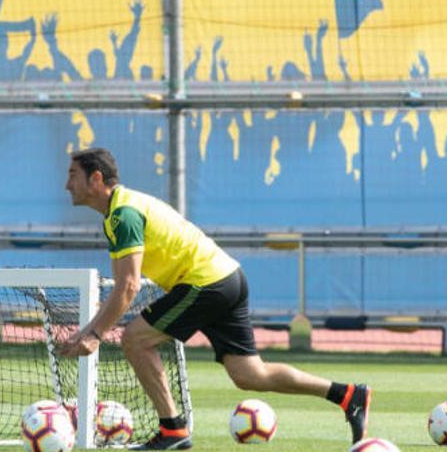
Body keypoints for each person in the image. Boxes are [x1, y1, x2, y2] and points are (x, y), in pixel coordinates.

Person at [59, 147, 370, 450]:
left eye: (73, 174)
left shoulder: (123, 215)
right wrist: (89, 333)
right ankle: (347, 396)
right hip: (226, 278)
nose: (67, 184)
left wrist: (96, 334)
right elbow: (123, 287)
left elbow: (129, 286)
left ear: (96, 178)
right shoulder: (120, 211)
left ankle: (173, 430)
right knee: (250, 374)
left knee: (135, 340)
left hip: (205, 283)